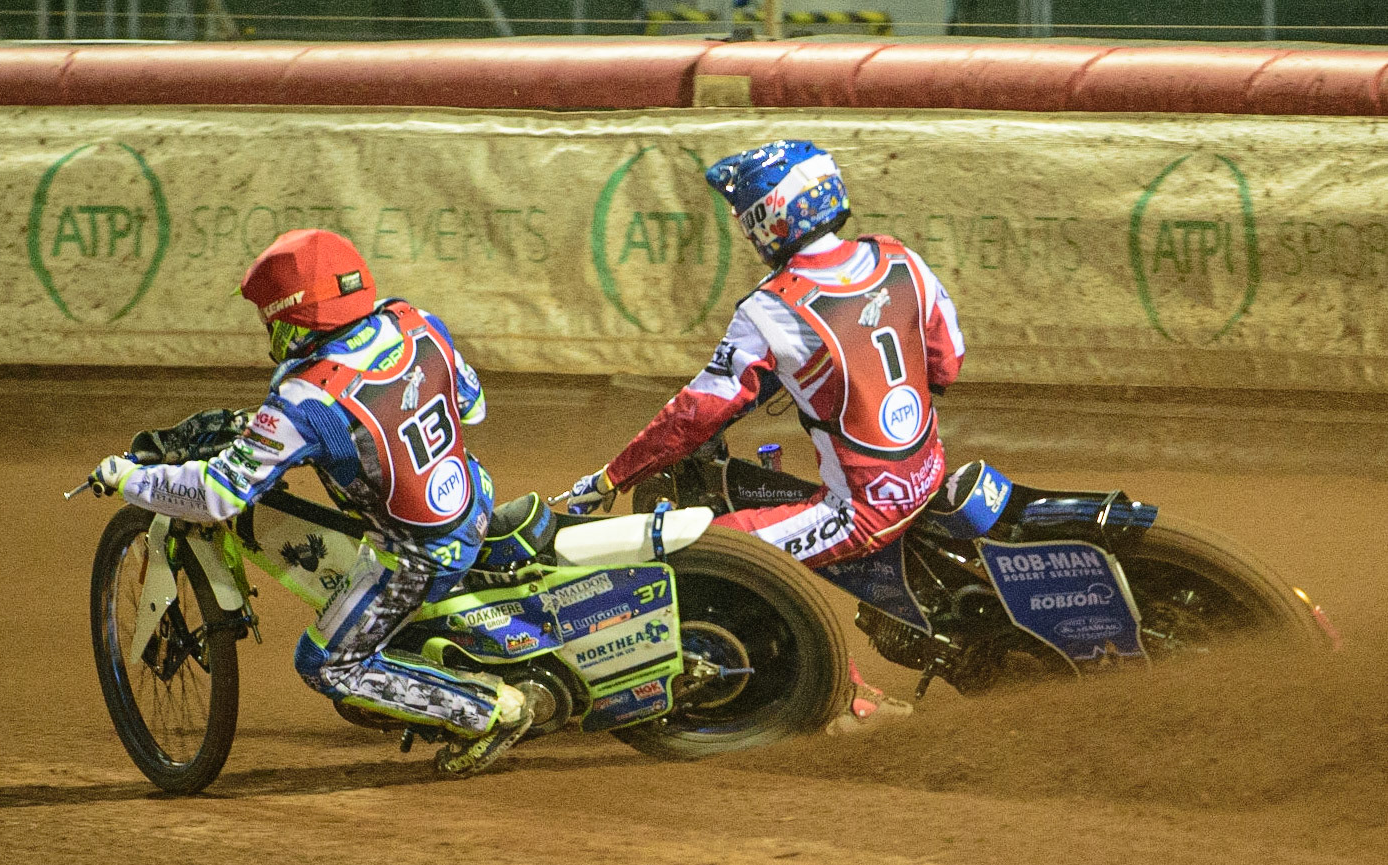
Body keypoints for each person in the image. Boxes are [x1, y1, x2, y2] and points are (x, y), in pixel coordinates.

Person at [89, 229, 531, 776]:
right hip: (473, 492)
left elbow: (218, 495)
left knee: (324, 663)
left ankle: (486, 711)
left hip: (418, 552)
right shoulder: (414, 320)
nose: (266, 330)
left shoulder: (306, 397)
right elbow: (473, 406)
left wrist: (129, 478)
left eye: (269, 319)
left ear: (294, 318)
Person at [562, 140, 965, 734]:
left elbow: (696, 412)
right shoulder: (900, 258)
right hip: (929, 472)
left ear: (771, 217)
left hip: (861, 509)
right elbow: (947, 364)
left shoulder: (771, 309)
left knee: (700, 555)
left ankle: (849, 700)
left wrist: (611, 478)